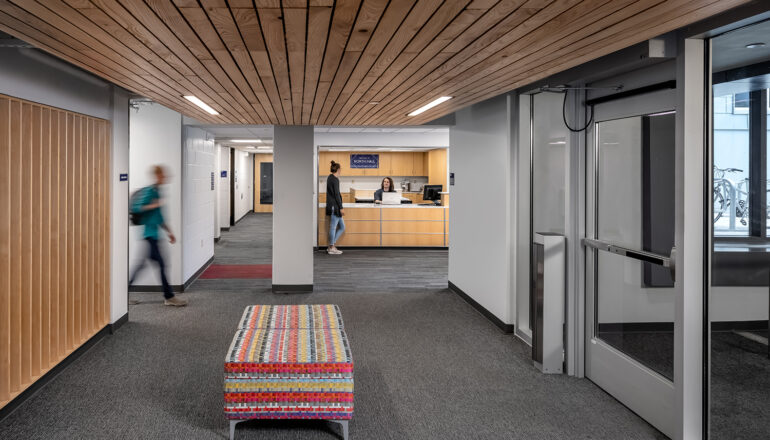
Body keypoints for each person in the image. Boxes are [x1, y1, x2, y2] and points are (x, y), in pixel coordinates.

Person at [129, 165, 187, 306]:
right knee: (161, 264)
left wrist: (169, 232)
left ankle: (123, 295)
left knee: (143, 265)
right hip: (149, 235)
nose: (165, 178)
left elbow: (159, 216)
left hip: (154, 235)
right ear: (157, 176)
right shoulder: (150, 191)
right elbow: (137, 208)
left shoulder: (158, 191)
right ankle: (169, 297)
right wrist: (152, 206)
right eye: (162, 175)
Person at [326, 160, 345, 255]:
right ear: (338, 169)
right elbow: (337, 195)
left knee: (342, 227)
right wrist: (341, 207)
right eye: (340, 169)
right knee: (333, 227)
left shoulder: (330, 177)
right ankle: (331, 247)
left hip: (332, 206)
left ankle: (331, 245)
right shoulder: (335, 179)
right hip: (335, 207)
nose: (341, 171)